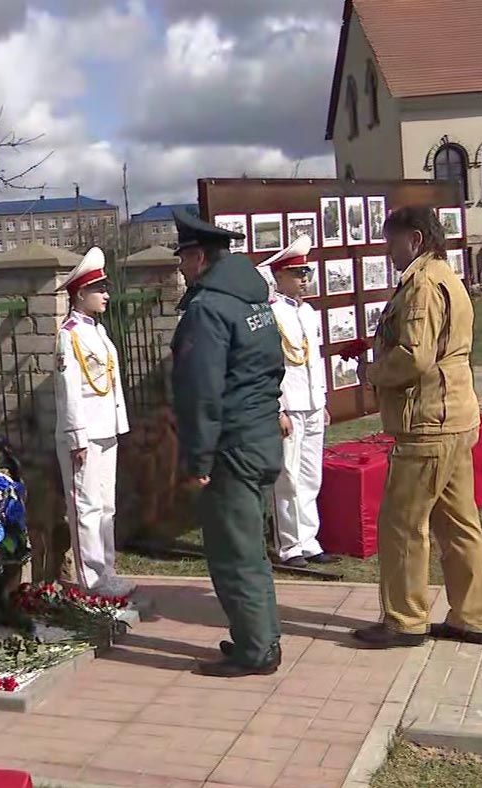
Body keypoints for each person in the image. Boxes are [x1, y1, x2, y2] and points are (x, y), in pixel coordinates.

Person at [350, 205, 482, 649]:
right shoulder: (445, 277)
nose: (387, 251)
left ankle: (405, 619)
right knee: (458, 523)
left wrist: (374, 373)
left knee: (402, 523)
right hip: (453, 417)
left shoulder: (423, 284)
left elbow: (414, 355)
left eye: (391, 241)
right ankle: (471, 616)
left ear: (414, 239)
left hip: (428, 422)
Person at [169, 207, 286, 677]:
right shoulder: (253, 302)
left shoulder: (207, 309)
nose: (179, 269)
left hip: (230, 448)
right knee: (250, 548)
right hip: (259, 437)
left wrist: (198, 458)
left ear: (198, 257)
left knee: (234, 553)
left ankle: (255, 650)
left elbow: (201, 392)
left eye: (182, 259)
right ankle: (261, 638)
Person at [54, 246, 132, 597]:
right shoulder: (68, 334)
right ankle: (91, 579)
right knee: (85, 505)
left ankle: (107, 570)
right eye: (99, 289)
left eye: (105, 288)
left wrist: (118, 423)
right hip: (85, 433)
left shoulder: (97, 331)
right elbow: (68, 389)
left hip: (106, 428)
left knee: (105, 504)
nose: (106, 294)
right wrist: (77, 437)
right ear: (80, 293)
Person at [260, 236, 336, 568]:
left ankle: (309, 539)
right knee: (287, 476)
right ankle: (289, 545)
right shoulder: (271, 313)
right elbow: (270, 364)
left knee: (310, 474)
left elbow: (314, 360)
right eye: (296, 272)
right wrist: (278, 408)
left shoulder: (308, 312)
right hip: (289, 404)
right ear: (279, 276)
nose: (304, 278)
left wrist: (322, 400)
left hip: (311, 403)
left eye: (305, 272)